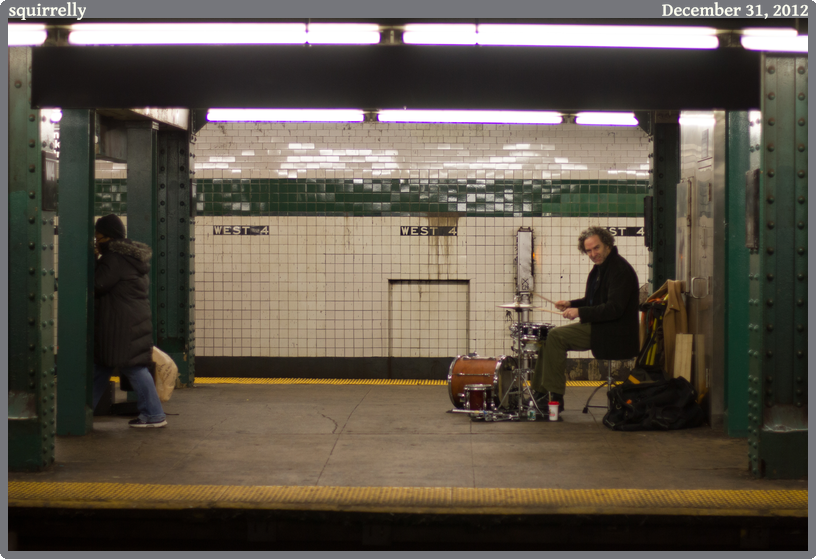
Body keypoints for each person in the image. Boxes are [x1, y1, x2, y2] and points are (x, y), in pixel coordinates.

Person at [531, 226, 640, 413]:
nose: (592, 254)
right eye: (588, 250)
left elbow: (614, 309)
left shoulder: (620, 270)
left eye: (596, 248)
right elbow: (594, 302)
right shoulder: (600, 269)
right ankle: (540, 393)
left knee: (556, 336)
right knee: (547, 337)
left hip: (614, 332)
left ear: (607, 244)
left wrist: (579, 311)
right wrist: (570, 303)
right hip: (602, 326)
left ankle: (554, 397)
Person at [92, 214, 167, 428]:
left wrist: (93, 259)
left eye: (98, 235)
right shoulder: (128, 257)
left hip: (121, 324)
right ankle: (83, 413)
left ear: (107, 237)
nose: (96, 240)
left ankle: (154, 415)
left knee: (133, 367)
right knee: (102, 368)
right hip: (129, 320)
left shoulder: (114, 259)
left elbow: (98, 284)